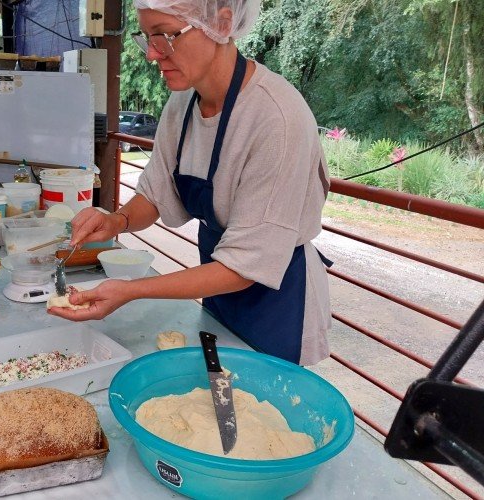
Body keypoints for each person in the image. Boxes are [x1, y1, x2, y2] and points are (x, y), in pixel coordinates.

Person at [48, 0, 332, 366]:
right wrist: (115, 221)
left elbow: (245, 266)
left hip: (276, 302)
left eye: (165, 36)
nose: (152, 55)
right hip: (216, 284)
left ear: (223, 23)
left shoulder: (276, 118)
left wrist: (131, 291)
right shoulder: (183, 103)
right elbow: (156, 193)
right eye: (147, 38)